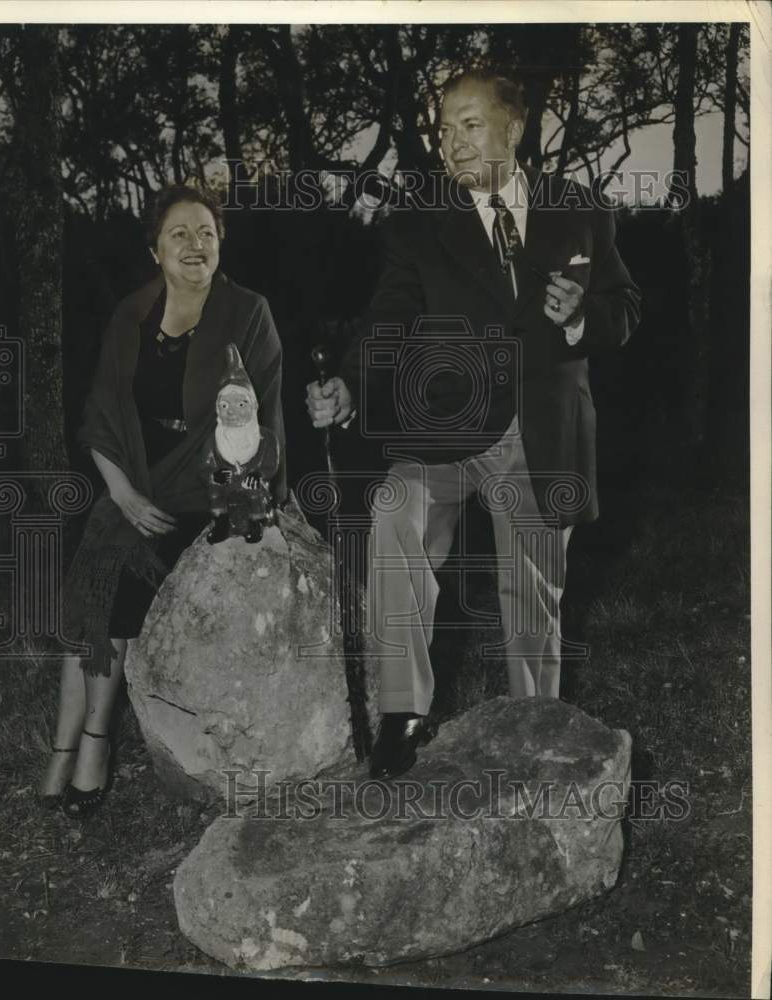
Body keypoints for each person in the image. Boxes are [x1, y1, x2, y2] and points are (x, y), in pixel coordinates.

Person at [305, 69, 640, 781]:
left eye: (468, 125)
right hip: (443, 431)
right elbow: (386, 320)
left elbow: (623, 309)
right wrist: (348, 383)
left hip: (541, 432)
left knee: (533, 588)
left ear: (513, 127)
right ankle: (403, 711)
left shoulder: (578, 211)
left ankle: (535, 720)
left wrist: (578, 318)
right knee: (394, 508)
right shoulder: (419, 224)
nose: (451, 145)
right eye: (443, 129)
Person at [41, 184, 286, 816]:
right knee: (97, 579)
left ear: (220, 243)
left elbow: (261, 419)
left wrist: (239, 512)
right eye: (178, 233)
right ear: (155, 250)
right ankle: (67, 748)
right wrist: (120, 493)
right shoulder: (131, 316)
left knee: (120, 576)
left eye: (205, 231)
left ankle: (90, 746)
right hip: (137, 489)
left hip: (211, 492)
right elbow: (98, 416)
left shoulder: (248, 312)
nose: (194, 243)